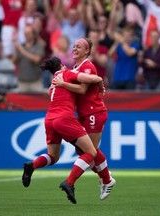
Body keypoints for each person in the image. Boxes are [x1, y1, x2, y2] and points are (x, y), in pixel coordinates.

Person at [21, 56, 103, 204]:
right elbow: (90, 79)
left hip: (49, 120)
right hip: (64, 118)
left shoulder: (52, 85)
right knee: (91, 152)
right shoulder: (66, 73)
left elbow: (49, 92)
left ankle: (32, 165)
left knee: (53, 157)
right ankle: (69, 182)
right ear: (61, 65)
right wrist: (99, 79)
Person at [54, 37, 116, 200]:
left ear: (87, 51)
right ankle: (107, 178)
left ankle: (78, 181)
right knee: (83, 150)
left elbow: (82, 90)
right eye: (74, 46)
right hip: (84, 114)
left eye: (79, 47)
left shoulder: (88, 66)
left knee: (90, 151)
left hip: (94, 112)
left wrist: (62, 84)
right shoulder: (75, 67)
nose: (74, 48)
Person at [12, 25, 45, 93]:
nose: (26, 35)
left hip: (35, 82)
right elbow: (14, 62)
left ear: (33, 34)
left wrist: (22, 50)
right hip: (22, 82)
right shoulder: (22, 46)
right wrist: (16, 51)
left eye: (28, 33)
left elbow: (37, 59)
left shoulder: (38, 45)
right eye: (25, 33)